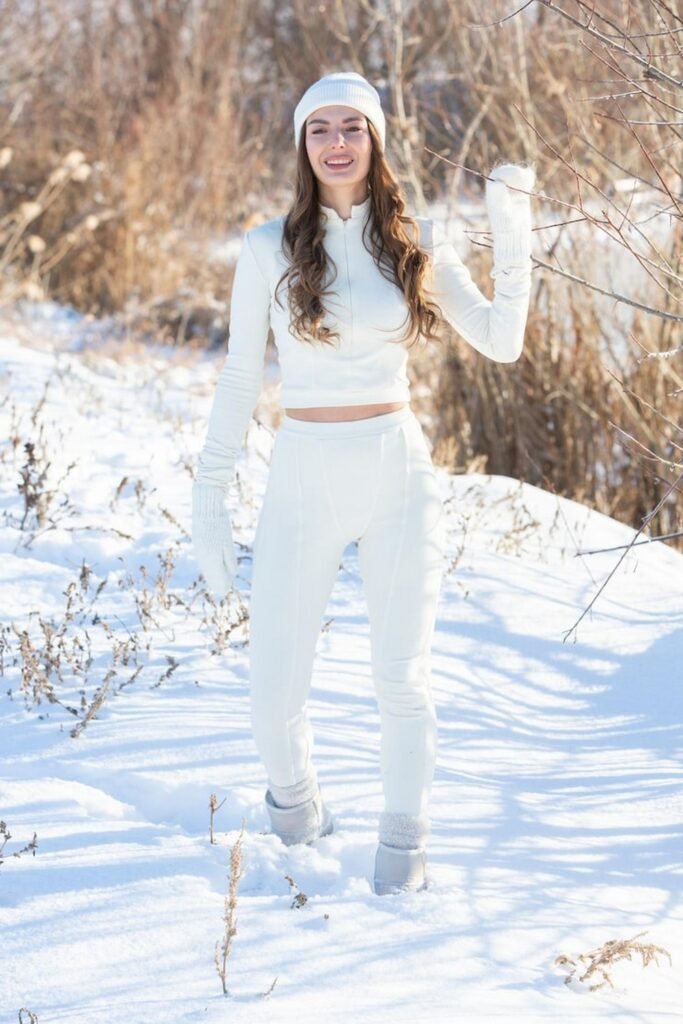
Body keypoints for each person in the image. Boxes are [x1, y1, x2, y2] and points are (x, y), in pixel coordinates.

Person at [191, 71, 535, 895]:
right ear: (301, 144)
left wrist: (509, 229)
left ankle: (401, 855)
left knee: (400, 676)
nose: (337, 141)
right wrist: (209, 493)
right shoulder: (264, 245)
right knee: (274, 682)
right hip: (302, 470)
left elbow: (501, 340)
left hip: (396, 468)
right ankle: (298, 821)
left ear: (375, 140)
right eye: (320, 128)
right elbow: (241, 377)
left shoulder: (413, 243)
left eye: (353, 126)